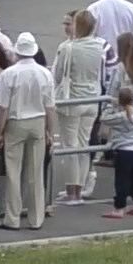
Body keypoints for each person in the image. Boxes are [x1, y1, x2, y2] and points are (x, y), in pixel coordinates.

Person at [0, 32, 56, 231]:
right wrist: (50, 132)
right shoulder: (45, 73)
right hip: (38, 121)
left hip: (16, 122)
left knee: (14, 172)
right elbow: (50, 107)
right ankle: (36, 218)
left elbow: (2, 107)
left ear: (17, 52)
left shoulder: (9, 74)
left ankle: (12, 218)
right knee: (36, 173)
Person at [52, 10, 106, 207]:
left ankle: (71, 191)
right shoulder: (100, 46)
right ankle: (79, 190)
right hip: (92, 98)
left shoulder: (68, 47)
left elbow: (58, 75)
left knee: (70, 146)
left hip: (72, 99)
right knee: (84, 146)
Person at [100, 86, 133, 218]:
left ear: (120, 101)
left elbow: (104, 118)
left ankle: (119, 208)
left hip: (123, 150)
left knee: (122, 180)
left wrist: (111, 106)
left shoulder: (121, 116)